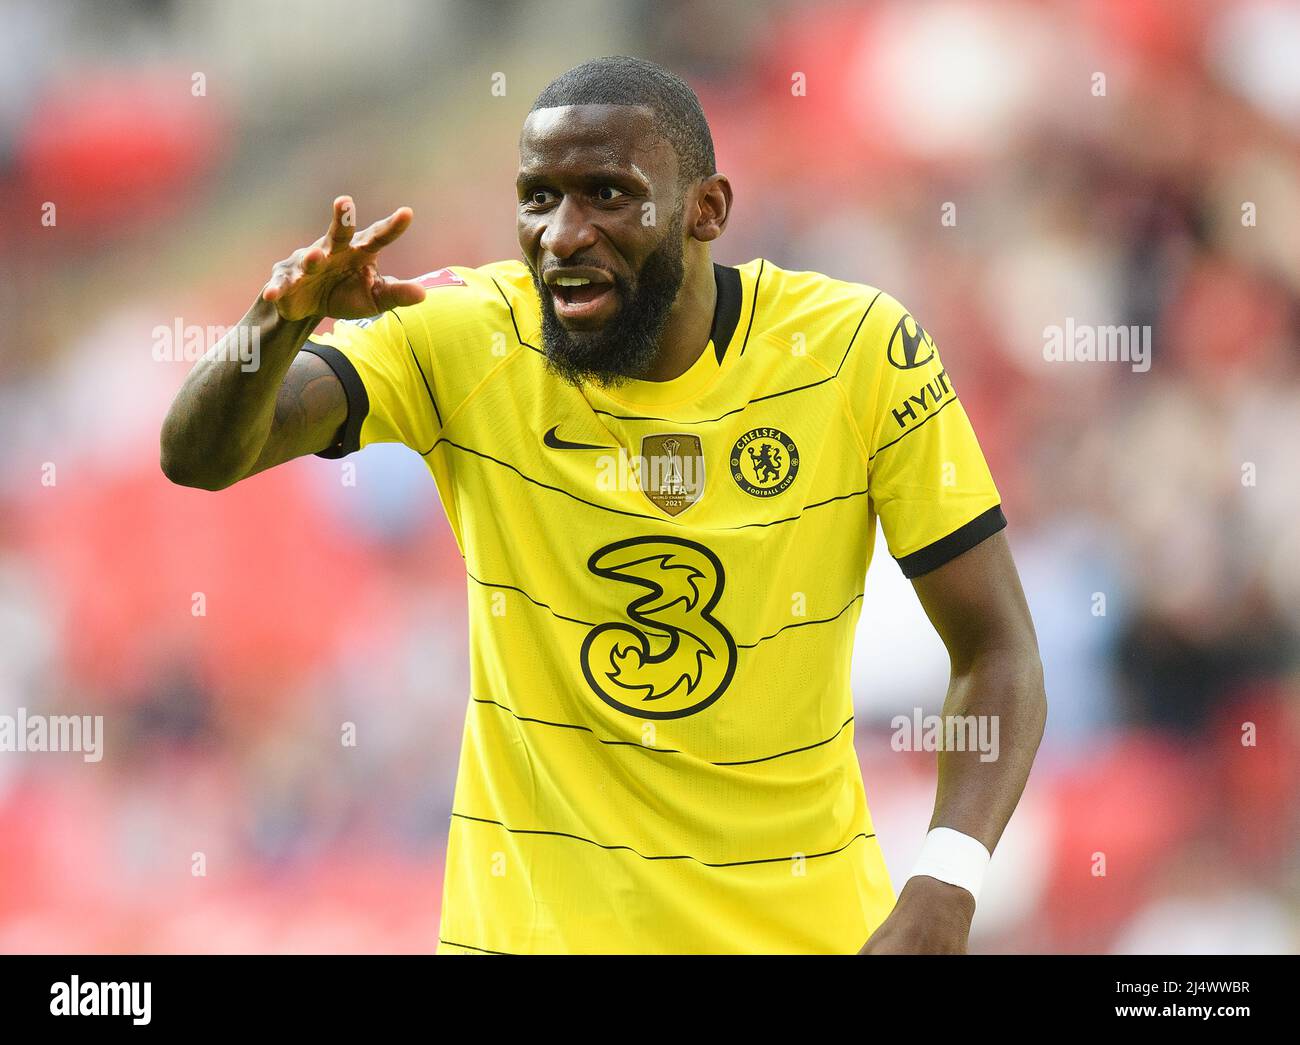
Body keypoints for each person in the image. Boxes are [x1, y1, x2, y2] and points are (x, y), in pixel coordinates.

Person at [160, 56, 1046, 954]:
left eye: (607, 195)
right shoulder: (463, 335)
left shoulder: (857, 352)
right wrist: (276, 321)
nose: (562, 233)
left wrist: (947, 882)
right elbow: (199, 456)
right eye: (538, 197)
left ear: (707, 209)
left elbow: (998, 647)